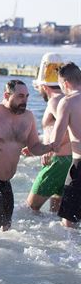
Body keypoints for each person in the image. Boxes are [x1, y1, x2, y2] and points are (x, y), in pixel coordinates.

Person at [0, 80, 55, 230]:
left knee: (6, 227)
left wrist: (51, 147)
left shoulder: (28, 117)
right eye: (20, 96)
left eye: (27, 96)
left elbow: (34, 147)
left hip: (5, 182)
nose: (25, 100)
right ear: (7, 95)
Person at [26, 54, 72, 213]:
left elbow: (68, 128)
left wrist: (50, 149)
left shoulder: (55, 100)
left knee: (31, 207)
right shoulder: (67, 98)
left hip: (59, 160)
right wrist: (38, 145)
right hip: (69, 160)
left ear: (44, 86)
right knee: (57, 212)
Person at [51, 62, 81, 228]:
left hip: (79, 165)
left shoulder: (68, 102)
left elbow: (56, 139)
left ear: (65, 83)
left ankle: (73, 254)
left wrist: (42, 149)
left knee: (69, 221)